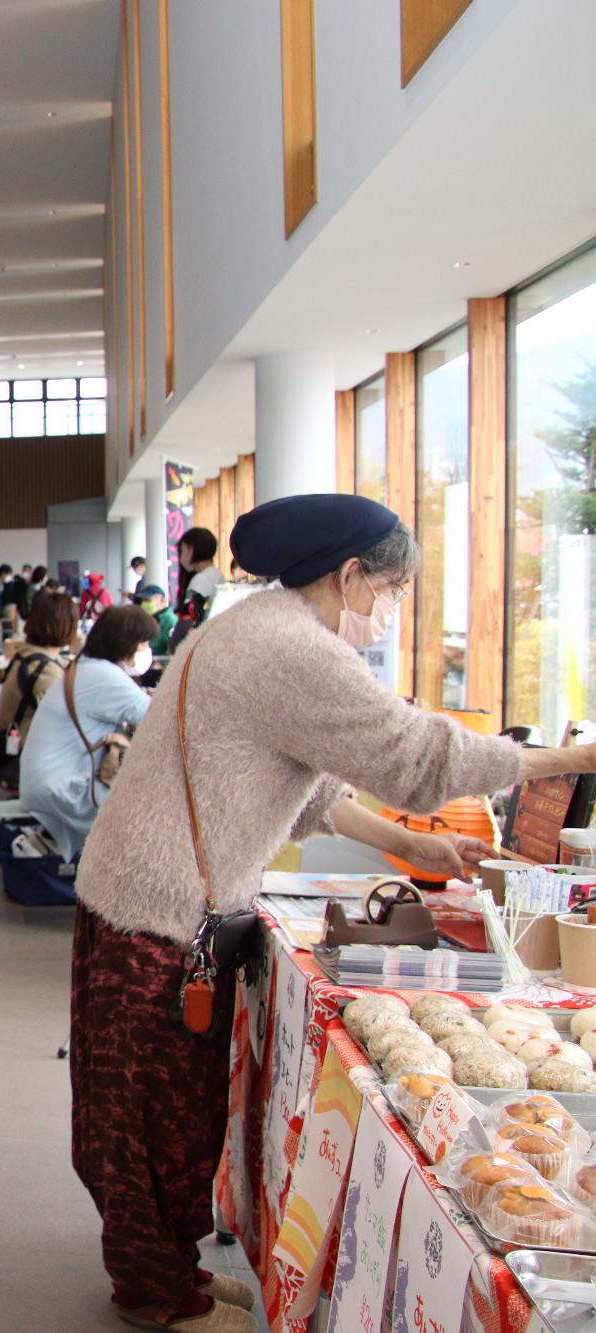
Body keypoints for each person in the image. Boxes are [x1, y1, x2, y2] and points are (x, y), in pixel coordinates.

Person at [70, 493, 596, 1333]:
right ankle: (153, 1293)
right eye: (390, 591)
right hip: (157, 911)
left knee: (165, 1112)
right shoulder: (294, 647)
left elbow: (307, 789)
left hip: (143, 898)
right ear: (351, 576)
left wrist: (414, 847)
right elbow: (423, 757)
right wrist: (572, 754)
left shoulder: (255, 625)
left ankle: (171, 1272)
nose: (390, 611)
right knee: (149, 1122)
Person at [12, 604, 157, 865]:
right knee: (154, 809)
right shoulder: (106, 675)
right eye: (144, 644)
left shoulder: (88, 666)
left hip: (46, 779)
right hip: (64, 789)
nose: (146, 651)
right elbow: (161, 720)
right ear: (126, 644)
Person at [0, 590, 76, 738]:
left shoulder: (25, 655)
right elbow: (66, 720)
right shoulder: (44, 669)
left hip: (15, 743)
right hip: (28, 751)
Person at [133, 584, 178, 655]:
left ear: (162, 600)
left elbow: (175, 648)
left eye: (148, 600)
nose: (144, 604)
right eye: (143, 601)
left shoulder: (170, 620)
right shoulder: (148, 619)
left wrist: (161, 663)